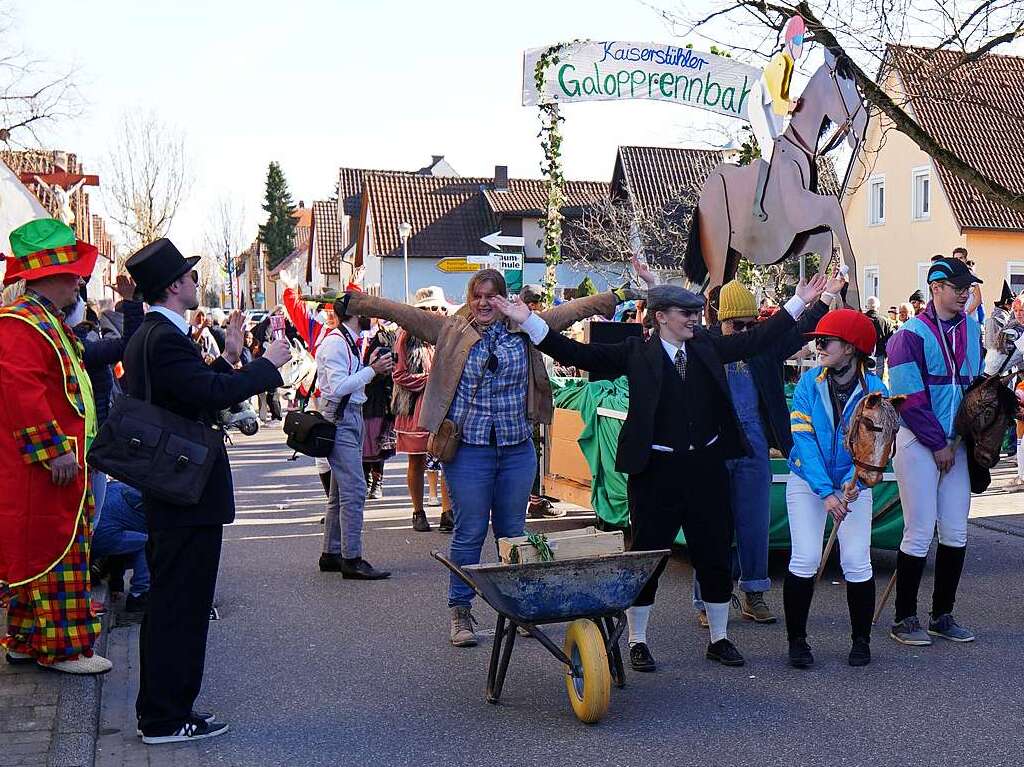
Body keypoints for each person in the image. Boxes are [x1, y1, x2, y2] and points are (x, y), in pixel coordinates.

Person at [493, 274, 830, 671]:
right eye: (686, 313)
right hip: (655, 470)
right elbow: (575, 353)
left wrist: (800, 302)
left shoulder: (704, 346)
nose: (694, 318)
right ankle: (637, 640)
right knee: (648, 556)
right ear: (661, 317)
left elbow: (756, 341)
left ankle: (719, 638)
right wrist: (528, 320)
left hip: (706, 467)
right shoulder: (636, 352)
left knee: (715, 552)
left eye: (695, 311)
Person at [337, 271, 627, 647]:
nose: (484, 302)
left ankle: (519, 607)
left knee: (513, 532)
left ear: (504, 298)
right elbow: (402, 312)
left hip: (516, 448)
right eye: (478, 295)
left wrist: (617, 296)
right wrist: (355, 302)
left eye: (492, 295)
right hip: (469, 449)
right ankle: (460, 610)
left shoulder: (525, 326)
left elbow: (572, 311)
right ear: (470, 298)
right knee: (470, 531)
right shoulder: (450, 329)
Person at [124, 239, 292, 744]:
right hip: (183, 488)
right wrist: (267, 366)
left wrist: (235, 356)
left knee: (176, 601)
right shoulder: (163, 337)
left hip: (176, 484)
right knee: (182, 604)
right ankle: (166, 717)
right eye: (191, 277)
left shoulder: (155, 335)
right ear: (175, 285)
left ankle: (165, 710)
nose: (196, 283)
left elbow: (191, 390)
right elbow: (208, 395)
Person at [690, 276, 835, 627]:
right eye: (735, 324)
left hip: (754, 447)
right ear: (718, 320)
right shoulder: (705, 344)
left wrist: (826, 298)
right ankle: (708, 597)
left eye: (749, 324)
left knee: (755, 524)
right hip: (714, 449)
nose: (742, 330)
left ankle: (754, 593)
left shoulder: (763, 346)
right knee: (713, 525)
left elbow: (800, 330)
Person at [0, 218, 111, 675]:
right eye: (73, 272)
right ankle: (65, 650)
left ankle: (25, 640)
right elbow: (20, 392)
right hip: (47, 469)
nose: (79, 280)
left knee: (45, 551)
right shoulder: (22, 323)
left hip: (62, 464)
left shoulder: (44, 320)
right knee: (59, 554)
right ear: (53, 274)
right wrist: (53, 450)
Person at [886, 256, 983, 646]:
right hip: (918, 442)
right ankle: (903, 617)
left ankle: (942, 614)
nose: (965, 294)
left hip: (956, 444)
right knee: (920, 530)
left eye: (967, 288)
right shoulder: (909, 334)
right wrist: (938, 443)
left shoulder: (972, 330)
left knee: (956, 530)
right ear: (936, 288)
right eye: (957, 288)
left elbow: (973, 386)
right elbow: (908, 398)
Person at [784, 309, 886, 668]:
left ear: (852, 348)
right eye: (818, 339)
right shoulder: (808, 384)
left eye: (826, 340)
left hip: (852, 486)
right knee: (806, 558)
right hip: (807, 483)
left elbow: (877, 446)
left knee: (857, 561)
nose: (818, 345)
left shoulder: (877, 390)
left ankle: (861, 641)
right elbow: (804, 439)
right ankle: (797, 641)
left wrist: (858, 479)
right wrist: (827, 492)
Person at [316, 290, 394, 579]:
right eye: (367, 309)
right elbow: (338, 387)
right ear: (354, 313)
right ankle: (352, 558)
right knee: (354, 491)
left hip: (349, 417)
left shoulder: (346, 340)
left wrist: (367, 366)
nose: (371, 314)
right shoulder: (337, 343)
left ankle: (331, 553)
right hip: (342, 419)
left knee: (340, 492)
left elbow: (345, 380)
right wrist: (372, 370)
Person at [393, 287, 452, 532]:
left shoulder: (448, 334)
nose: (435, 311)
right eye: (429, 307)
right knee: (417, 461)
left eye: (439, 307)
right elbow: (399, 375)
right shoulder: (406, 337)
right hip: (415, 407)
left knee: (448, 457)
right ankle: (418, 511)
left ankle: (448, 512)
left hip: (444, 405)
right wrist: (430, 379)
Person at [91, 481, 150, 612]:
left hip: (92, 529)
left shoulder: (120, 485)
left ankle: (100, 566)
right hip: (101, 535)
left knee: (134, 540)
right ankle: (139, 594)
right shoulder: (149, 503)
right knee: (148, 543)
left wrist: (117, 584)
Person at [360, 319, 397, 500]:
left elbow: (387, 367)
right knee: (362, 443)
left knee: (376, 442)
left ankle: (377, 481)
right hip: (358, 396)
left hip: (378, 397)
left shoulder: (384, 336)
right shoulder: (353, 337)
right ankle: (366, 480)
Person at [983, 281, 1014, 374]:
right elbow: (992, 343)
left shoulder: (1004, 318)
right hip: (996, 358)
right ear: (1006, 303)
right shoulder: (998, 318)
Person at [952, 247, 984, 324]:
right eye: (956, 258)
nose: (958, 260)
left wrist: (966, 313)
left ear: (965, 260)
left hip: (969, 319)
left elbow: (978, 299)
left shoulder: (970, 275)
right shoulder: (951, 276)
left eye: (961, 258)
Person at [863, 296, 894, 372]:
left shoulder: (861, 319)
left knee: (864, 378)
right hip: (880, 354)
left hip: (863, 354)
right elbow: (890, 340)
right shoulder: (885, 321)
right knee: (878, 380)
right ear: (878, 307)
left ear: (867, 306)